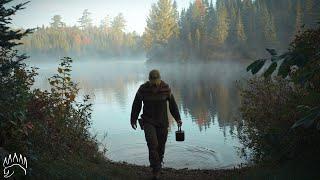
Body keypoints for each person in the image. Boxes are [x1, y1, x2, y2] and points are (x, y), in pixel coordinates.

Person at [130, 69, 182, 179]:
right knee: (152, 144)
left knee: (161, 146)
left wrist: (178, 119)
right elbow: (136, 105)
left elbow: (172, 105)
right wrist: (133, 119)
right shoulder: (143, 89)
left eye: (156, 81)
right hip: (148, 121)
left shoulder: (166, 88)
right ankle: (156, 169)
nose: (154, 83)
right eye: (152, 81)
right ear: (149, 79)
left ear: (159, 79)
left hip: (162, 122)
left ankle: (159, 163)